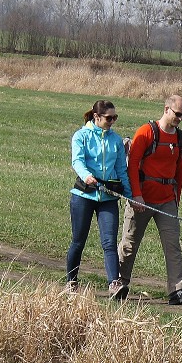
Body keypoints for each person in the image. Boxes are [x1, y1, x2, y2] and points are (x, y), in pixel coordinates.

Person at [117, 95, 182, 305]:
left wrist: (176, 199)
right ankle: (118, 283)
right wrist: (135, 195)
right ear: (166, 109)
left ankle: (177, 290)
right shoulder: (146, 132)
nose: (180, 118)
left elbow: (180, 171)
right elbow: (132, 166)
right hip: (141, 199)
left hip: (167, 201)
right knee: (129, 244)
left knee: (173, 246)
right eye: (177, 114)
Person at [66, 100, 132, 298]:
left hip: (108, 198)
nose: (112, 121)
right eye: (108, 118)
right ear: (96, 117)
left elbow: (121, 169)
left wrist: (131, 195)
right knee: (78, 241)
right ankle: (71, 281)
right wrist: (86, 175)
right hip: (83, 195)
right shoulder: (81, 136)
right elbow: (77, 160)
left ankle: (114, 284)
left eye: (115, 118)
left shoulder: (116, 140)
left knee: (109, 243)